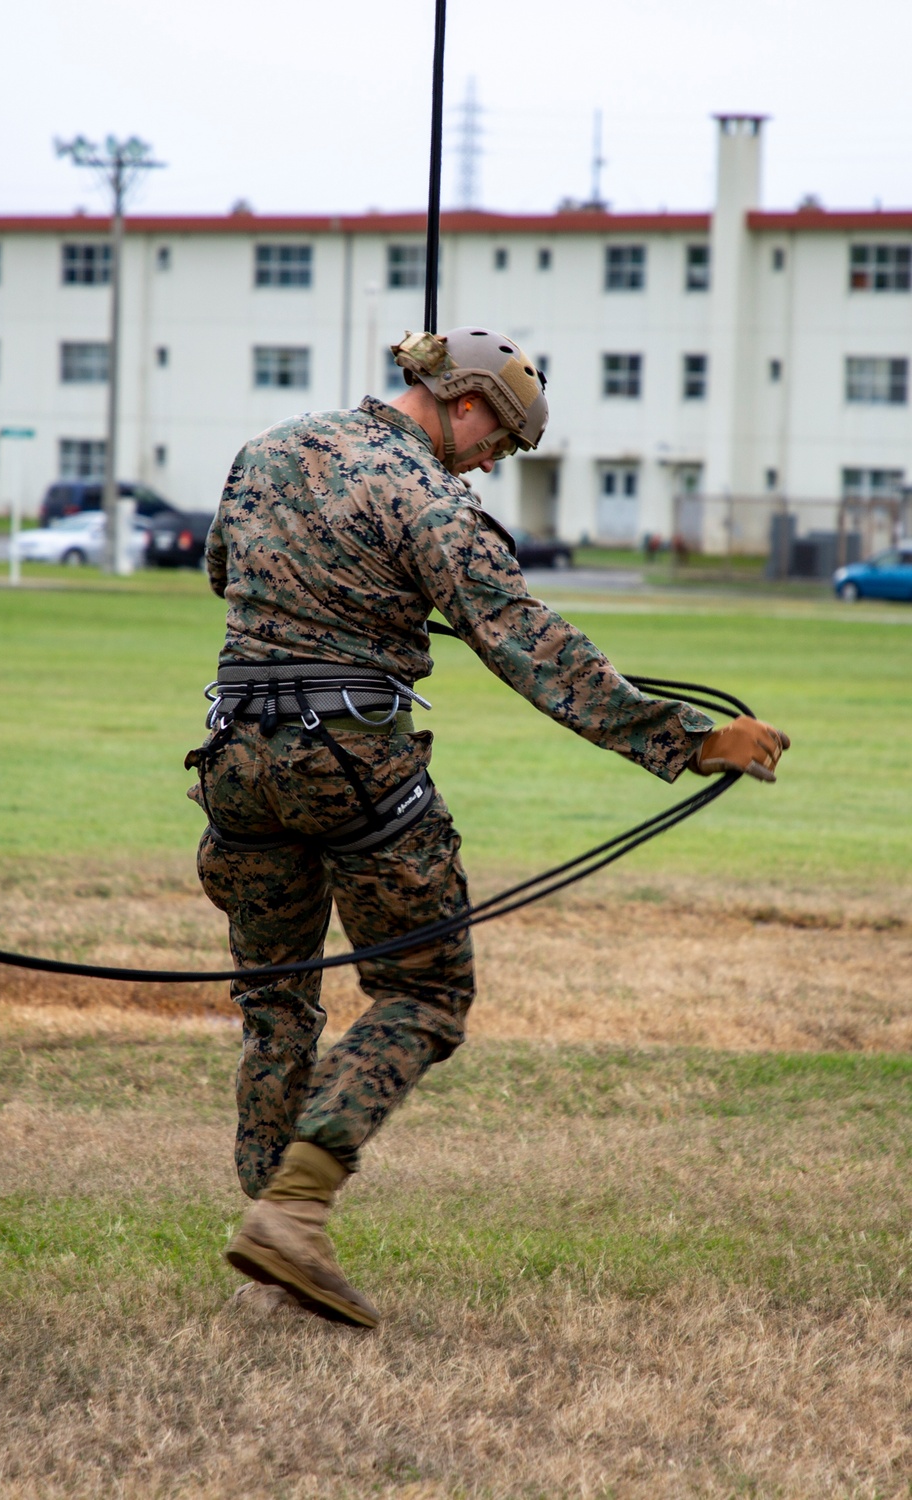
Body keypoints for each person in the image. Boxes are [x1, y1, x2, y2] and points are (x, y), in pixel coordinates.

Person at [188, 327, 789, 1329]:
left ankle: (268, 1226)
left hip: (235, 755)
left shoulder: (268, 450)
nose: (490, 463)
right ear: (463, 402)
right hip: (352, 763)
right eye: (496, 443)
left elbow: (225, 575)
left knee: (275, 1001)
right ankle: (294, 1211)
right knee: (423, 991)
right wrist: (686, 739)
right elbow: (531, 647)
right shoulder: (428, 499)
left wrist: (358, 598)